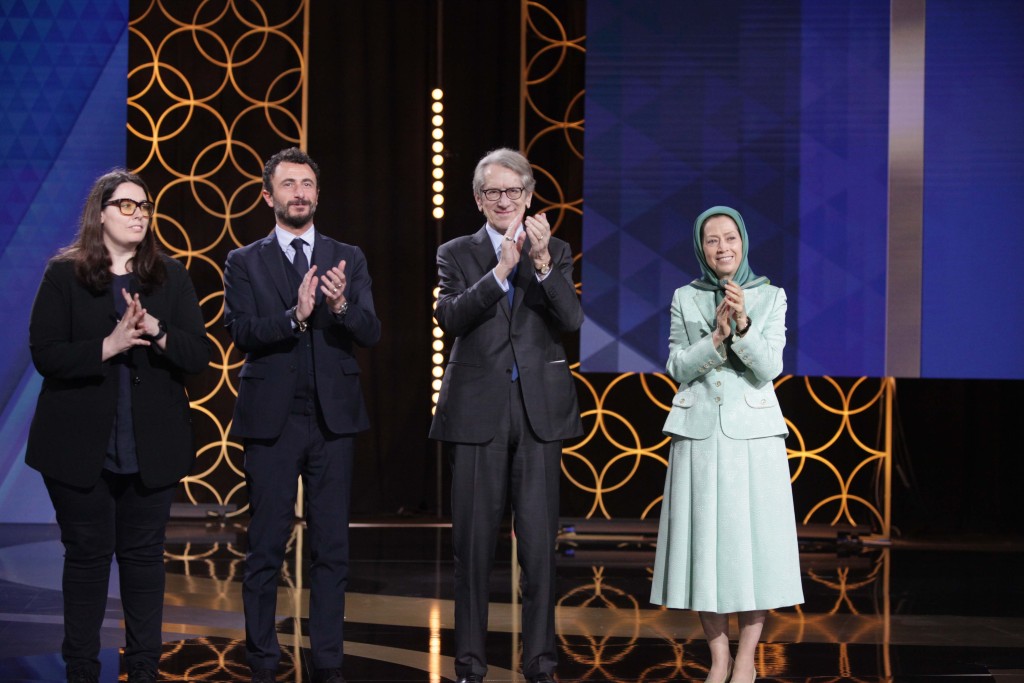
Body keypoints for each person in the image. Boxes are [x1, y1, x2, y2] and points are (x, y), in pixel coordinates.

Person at [26, 169, 211, 683]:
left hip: (152, 448)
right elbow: (45, 354)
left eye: (145, 206)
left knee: (145, 561)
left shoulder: (169, 277)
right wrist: (106, 347)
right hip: (79, 449)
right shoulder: (64, 275)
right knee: (86, 559)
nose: (139, 214)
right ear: (100, 213)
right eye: (127, 205)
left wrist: (156, 330)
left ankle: (145, 670)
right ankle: (82, 670)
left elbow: (199, 356)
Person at [223, 147, 380, 683]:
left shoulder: (346, 256)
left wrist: (338, 307)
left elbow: (370, 331)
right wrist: (295, 317)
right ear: (269, 195)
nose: (299, 193)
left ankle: (328, 660)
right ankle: (263, 660)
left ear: (318, 193)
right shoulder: (244, 260)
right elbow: (241, 330)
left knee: (332, 547)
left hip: (334, 422)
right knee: (266, 544)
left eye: (307, 184)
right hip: (272, 421)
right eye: (288, 184)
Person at [430, 148, 583, 683]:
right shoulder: (457, 252)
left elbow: (571, 317)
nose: (502, 200)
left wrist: (540, 265)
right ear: (478, 199)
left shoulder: (556, 249)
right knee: (472, 549)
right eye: (492, 192)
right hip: (477, 414)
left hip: (539, 413)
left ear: (528, 196)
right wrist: (499, 273)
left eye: (512, 191)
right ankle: (470, 664)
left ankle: (540, 660)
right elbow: (448, 315)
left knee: (539, 550)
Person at [650, 206, 804, 683]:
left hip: (754, 437)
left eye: (730, 238)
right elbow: (677, 365)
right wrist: (715, 336)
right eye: (712, 240)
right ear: (702, 247)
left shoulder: (771, 296)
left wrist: (741, 326)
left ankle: (745, 661)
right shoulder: (684, 297)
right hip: (699, 435)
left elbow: (768, 368)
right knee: (707, 550)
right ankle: (718, 658)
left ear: (743, 242)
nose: (723, 248)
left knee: (753, 549)